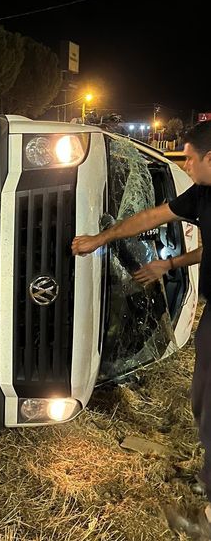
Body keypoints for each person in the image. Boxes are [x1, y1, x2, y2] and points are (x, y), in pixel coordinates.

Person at [72, 119, 211, 534]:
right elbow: (152, 216)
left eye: (188, 156)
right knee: (202, 396)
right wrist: (105, 239)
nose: (184, 162)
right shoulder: (203, 194)